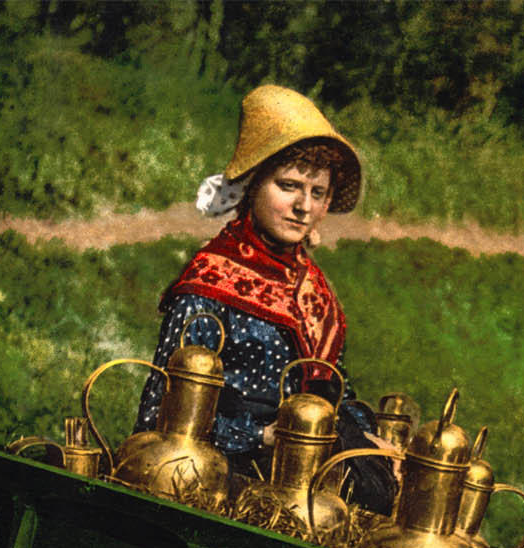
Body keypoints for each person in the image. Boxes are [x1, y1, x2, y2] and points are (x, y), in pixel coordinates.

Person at [136, 84, 392, 510]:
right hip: (216, 481)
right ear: (253, 186)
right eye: (288, 186)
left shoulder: (315, 291)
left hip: (304, 481)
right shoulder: (210, 282)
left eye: (317, 193)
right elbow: (160, 410)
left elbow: (334, 388)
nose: (303, 207)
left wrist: (367, 440)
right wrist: (261, 437)